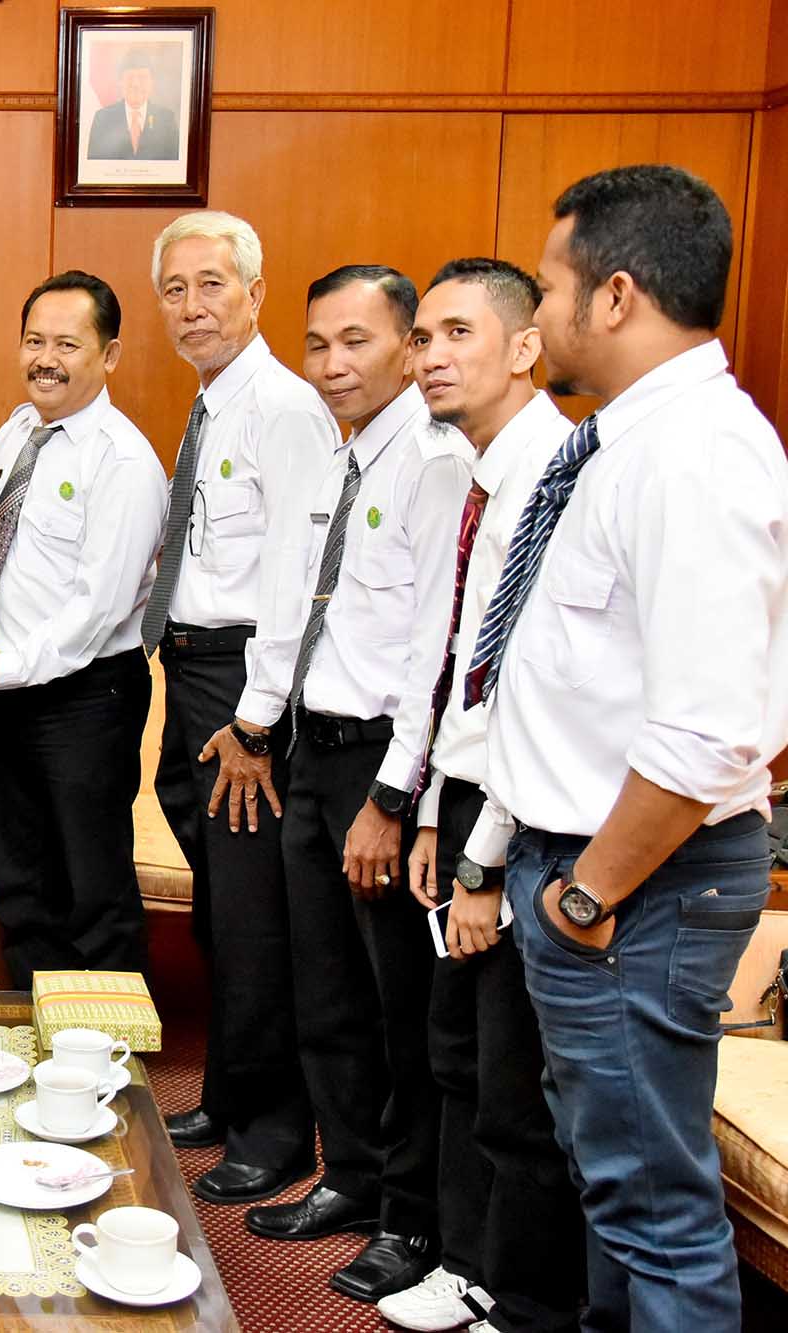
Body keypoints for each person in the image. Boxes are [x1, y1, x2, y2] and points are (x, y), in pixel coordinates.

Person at [466, 164, 788, 1330]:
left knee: (650, 1212)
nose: (537, 316)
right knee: (614, 1194)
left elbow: (709, 732)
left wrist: (586, 895)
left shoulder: (689, 454)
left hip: (631, 887)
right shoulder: (628, 441)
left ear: (611, 295)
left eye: (546, 289)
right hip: (596, 876)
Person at [240, 266, 472, 1306]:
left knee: (398, 1008)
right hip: (310, 750)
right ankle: (353, 1178)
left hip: (383, 762)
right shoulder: (331, 463)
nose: (332, 365)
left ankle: (415, 1220)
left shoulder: (434, 464)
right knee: (322, 987)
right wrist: (257, 723)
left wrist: (390, 797)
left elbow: (435, 648)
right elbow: (293, 609)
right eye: (315, 345)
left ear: (408, 346)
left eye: (358, 342)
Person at [375, 258, 584, 1333]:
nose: (429, 355)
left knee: (512, 1083)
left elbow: (533, 694)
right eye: (421, 337)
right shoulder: (473, 473)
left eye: (455, 332)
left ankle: (526, 1297)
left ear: (522, 347)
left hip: (525, 819)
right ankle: (463, 1264)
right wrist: (425, 811)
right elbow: (458, 657)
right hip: (461, 798)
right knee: (452, 1052)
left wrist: (480, 861)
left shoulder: (560, 478)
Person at [139, 212, 333, 1206]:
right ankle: (227, 1093)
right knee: (221, 906)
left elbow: (299, 576)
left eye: (211, 284)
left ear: (255, 294)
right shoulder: (213, 402)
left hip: (247, 687)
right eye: (174, 289)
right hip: (195, 669)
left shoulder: (283, 408)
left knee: (258, 917)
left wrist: (255, 721)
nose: (191, 305)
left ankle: (274, 1131)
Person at [0, 271, 166, 986]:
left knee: (90, 885)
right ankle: (41, 1038)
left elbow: (99, 608)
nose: (47, 358)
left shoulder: (124, 462)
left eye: (68, 343)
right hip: (12, 688)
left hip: (85, 696)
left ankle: (108, 1065)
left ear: (111, 354)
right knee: (19, 878)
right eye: (35, 340)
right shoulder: (19, 428)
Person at [87, 49, 180, 161]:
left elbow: (174, 168)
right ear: (120, 82)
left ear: (152, 83)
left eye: (142, 77)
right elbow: (94, 167)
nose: (135, 84)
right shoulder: (102, 118)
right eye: (130, 77)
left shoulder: (167, 120)